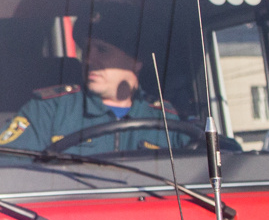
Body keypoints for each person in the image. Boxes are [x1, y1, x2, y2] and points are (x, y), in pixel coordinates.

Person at [0, 38, 178, 156]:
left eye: (102, 50)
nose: (88, 59)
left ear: (135, 61)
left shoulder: (165, 118)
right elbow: (8, 168)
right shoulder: (48, 110)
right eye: (86, 49)